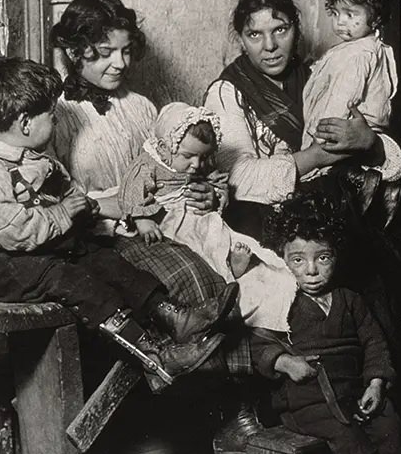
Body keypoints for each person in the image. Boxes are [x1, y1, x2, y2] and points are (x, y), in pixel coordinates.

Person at [204, 0, 401, 454]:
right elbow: (241, 179)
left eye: (280, 29)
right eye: (255, 34)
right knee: (354, 294)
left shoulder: (333, 68)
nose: (270, 45)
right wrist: (322, 158)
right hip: (268, 231)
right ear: (240, 38)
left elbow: (395, 154)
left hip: (341, 221)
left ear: (297, 29)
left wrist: (370, 142)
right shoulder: (228, 92)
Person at [48, 0, 262, 454]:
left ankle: (244, 409)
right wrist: (122, 209)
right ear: (73, 51)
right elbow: (61, 200)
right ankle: (231, 413)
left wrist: (207, 192)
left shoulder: (144, 107)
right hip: (102, 238)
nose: (119, 63)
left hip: (164, 223)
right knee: (192, 275)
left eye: (126, 50)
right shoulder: (57, 115)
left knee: (235, 271)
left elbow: (181, 167)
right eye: (103, 54)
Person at [0, 57, 237, 389]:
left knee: (106, 260)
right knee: (81, 283)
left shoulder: (38, 159)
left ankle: (174, 316)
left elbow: (78, 202)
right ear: (25, 122)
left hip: (45, 252)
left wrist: (104, 208)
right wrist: (63, 212)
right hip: (11, 266)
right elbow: (10, 232)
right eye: (51, 115)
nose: (55, 121)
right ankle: (155, 355)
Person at [255, 191, 401, 454]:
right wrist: (284, 361)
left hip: (350, 389)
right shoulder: (280, 301)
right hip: (305, 398)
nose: (311, 270)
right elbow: (257, 344)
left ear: (336, 256)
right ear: (280, 258)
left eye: (323, 258)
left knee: (387, 422)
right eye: (298, 260)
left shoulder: (349, 299)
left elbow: (374, 341)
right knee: (347, 433)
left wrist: (375, 382)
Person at [118, 101, 297, 332]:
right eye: (188, 156)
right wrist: (143, 219)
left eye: (202, 158)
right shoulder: (148, 164)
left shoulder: (194, 163)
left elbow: (214, 178)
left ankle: (232, 264)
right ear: (165, 146)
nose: (196, 165)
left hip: (197, 217)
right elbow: (130, 191)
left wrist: (215, 191)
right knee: (197, 247)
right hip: (169, 221)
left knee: (219, 234)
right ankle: (226, 274)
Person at [300, 0, 398, 199]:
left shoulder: (357, 55)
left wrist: (317, 141)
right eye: (335, 13)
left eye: (350, 14)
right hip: (359, 143)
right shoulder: (365, 48)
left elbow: (342, 99)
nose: (340, 22)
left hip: (342, 141)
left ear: (374, 19)